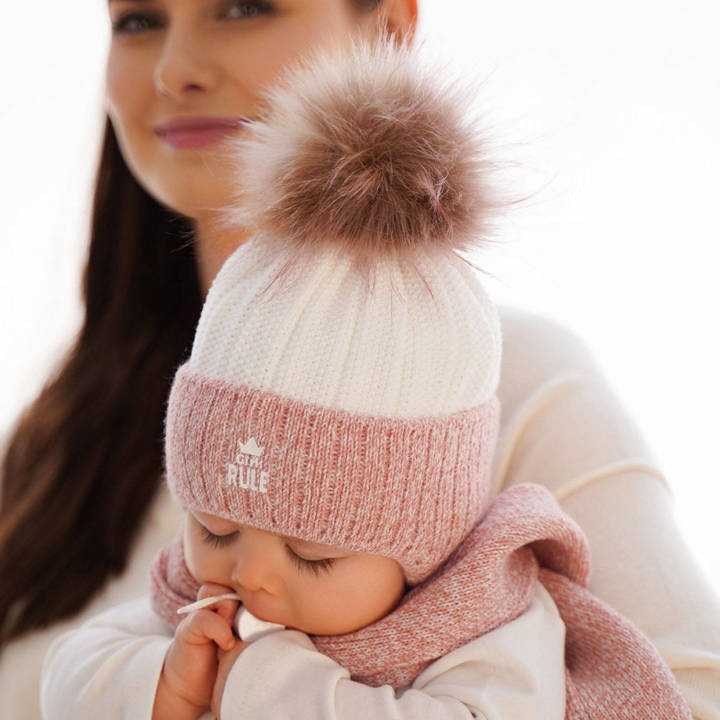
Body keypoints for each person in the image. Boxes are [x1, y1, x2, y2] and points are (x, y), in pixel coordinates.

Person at [1, 1, 719, 719]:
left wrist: (261, 683)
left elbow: (684, 693)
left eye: (243, 6)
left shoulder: (511, 388)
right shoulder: (65, 426)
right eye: (136, 21)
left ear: (387, 30)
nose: (174, 69)